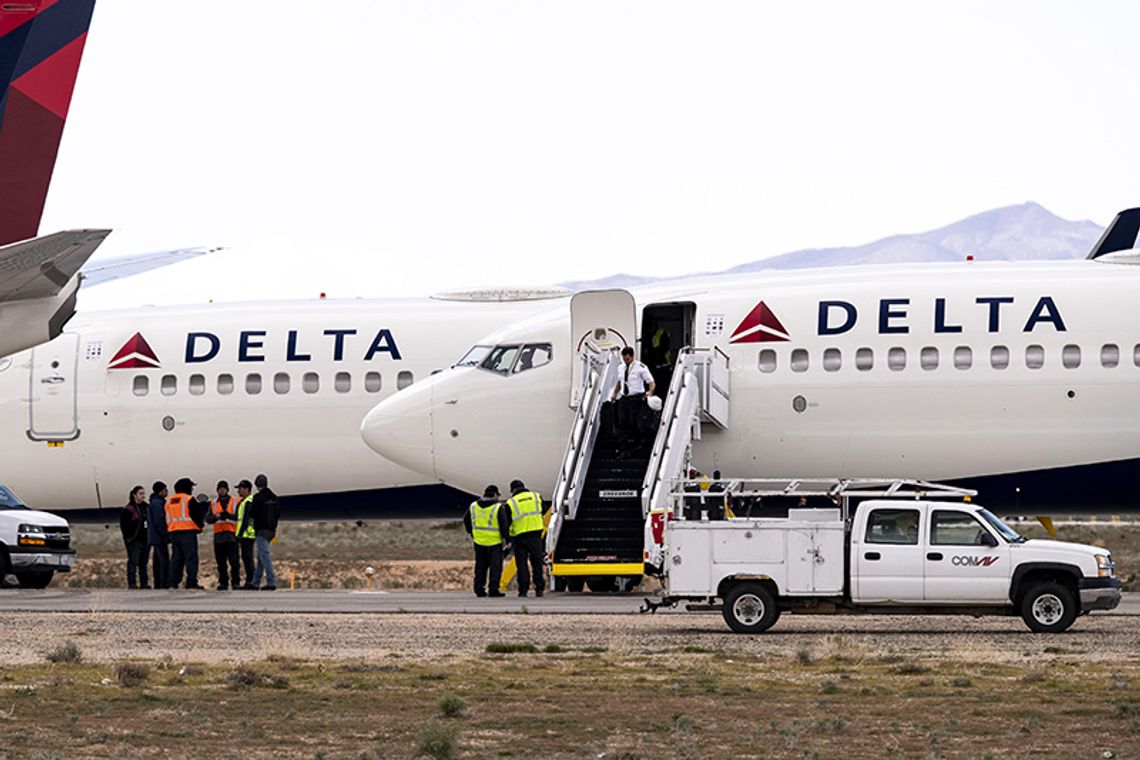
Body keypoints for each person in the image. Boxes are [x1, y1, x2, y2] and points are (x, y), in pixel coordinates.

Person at [463, 485, 511, 597]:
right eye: (498, 495)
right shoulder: (498, 508)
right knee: (495, 567)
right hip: (494, 542)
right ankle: (493, 590)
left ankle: (479, 589)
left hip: (479, 541)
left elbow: (466, 520)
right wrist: (508, 539)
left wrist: (472, 532)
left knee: (480, 567)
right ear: (494, 495)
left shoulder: (473, 506)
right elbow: (504, 525)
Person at [505, 479, 545, 598]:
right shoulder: (536, 496)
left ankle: (523, 590)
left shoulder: (511, 502)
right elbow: (542, 511)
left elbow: (507, 521)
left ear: (513, 490)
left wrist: (508, 538)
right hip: (536, 536)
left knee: (521, 565)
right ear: (523, 486)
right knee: (537, 564)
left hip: (520, 537)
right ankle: (539, 589)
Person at [166, 477, 204, 590]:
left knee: (176, 558)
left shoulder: (169, 501)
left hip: (174, 533)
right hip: (187, 533)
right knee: (191, 558)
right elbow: (197, 515)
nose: (192, 489)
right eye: (191, 487)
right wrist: (200, 527)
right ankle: (191, 582)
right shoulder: (188, 499)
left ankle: (173, 582)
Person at [611, 347, 655, 440]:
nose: (626, 361)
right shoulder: (621, 367)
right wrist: (615, 393)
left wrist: (650, 392)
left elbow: (651, 382)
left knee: (633, 421)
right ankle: (624, 441)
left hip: (636, 398)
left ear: (632, 357)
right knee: (622, 421)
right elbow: (620, 382)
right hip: (624, 397)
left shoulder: (641, 367)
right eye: (624, 359)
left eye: (627, 359)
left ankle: (635, 440)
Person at [247, 473, 280, 591]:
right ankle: (255, 582)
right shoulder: (275, 497)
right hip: (271, 530)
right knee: (261, 557)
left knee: (264, 556)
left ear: (256, 485)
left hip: (261, 529)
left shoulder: (258, 497)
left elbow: (253, 513)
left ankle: (271, 582)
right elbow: (278, 514)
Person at [207, 480, 241, 591]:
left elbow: (240, 516)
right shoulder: (213, 503)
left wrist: (229, 516)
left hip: (232, 535)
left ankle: (236, 582)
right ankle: (223, 583)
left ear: (227, 490)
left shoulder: (235, 501)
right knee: (221, 563)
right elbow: (208, 519)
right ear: (217, 490)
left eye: (224, 489)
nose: (222, 491)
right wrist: (216, 517)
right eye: (220, 489)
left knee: (234, 562)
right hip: (219, 537)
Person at [119, 486, 149, 589]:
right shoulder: (129, 509)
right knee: (133, 562)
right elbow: (124, 525)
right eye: (140, 494)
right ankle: (132, 583)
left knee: (143, 563)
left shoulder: (146, 507)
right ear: (134, 495)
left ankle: (144, 583)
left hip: (145, 539)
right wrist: (129, 538)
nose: (143, 496)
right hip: (134, 540)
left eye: (143, 494)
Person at [233, 479, 257, 588]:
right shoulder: (243, 502)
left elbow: (246, 520)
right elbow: (238, 518)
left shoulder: (249, 501)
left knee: (248, 558)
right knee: (246, 557)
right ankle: (250, 580)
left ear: (247, 489)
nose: (238, 491)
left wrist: (240, 534)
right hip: (245, 535)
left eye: (240, 489)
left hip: (247, 535)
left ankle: (251, 581)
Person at [147, 481, 170, 589]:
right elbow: (159, 520)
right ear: (160, 491)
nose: (167, 492)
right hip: (159, 537)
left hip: (155, 537)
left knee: (157, 560)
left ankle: (158, 583)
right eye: (165, 490)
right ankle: (164, 582)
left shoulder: (155, 502)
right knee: (164, 560)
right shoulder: (157, 503)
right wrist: (165, 533)